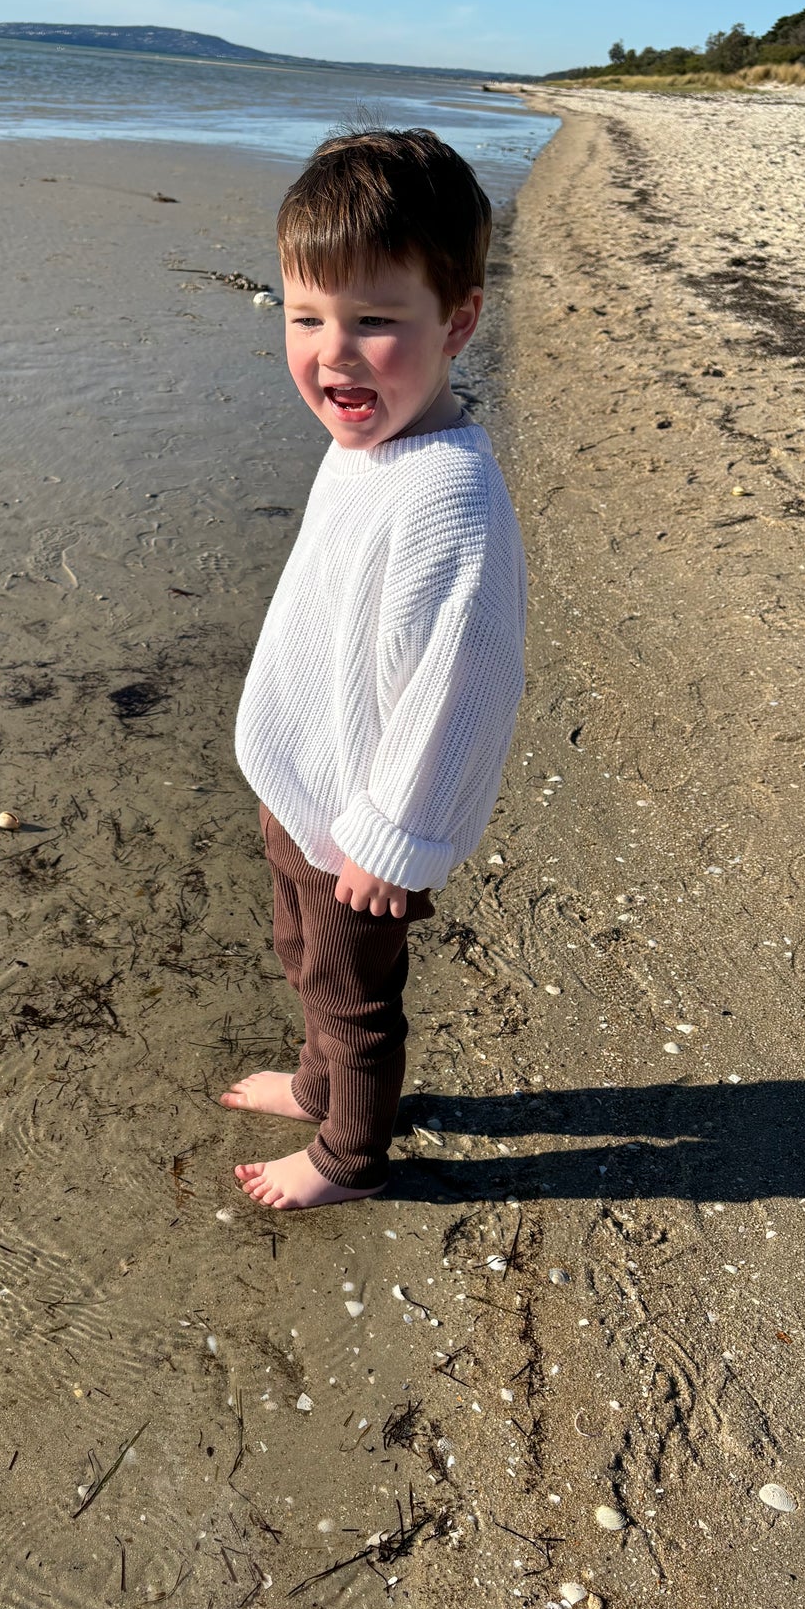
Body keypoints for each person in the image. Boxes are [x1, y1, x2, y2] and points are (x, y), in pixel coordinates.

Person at [222, 127, 527, 1210]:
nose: (332, 354)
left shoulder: (445, 491)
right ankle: (315, 1087)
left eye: (374, 323)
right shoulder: (362, 444)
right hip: (305, 782)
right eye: (305, 319)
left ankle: (349, 1155)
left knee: (357, 999)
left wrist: (393, 832)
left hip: (362, 821)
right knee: (299, 954)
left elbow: (461, 682)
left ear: (457, 322)